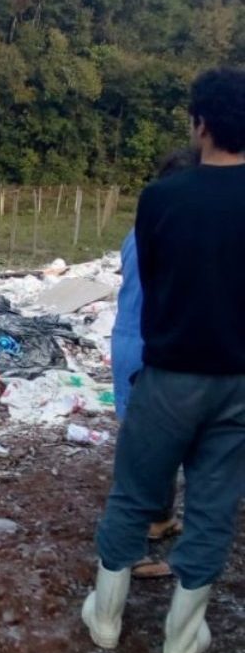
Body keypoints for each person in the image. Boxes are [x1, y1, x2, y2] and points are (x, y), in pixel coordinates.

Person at [83, 66, 245, 653]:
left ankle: (105, 620)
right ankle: (182, 637)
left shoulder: (160, 199)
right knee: (213, 504)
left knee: (133, 495)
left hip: (169, 374)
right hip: (238, 383)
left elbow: (152, 280)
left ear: (199, 123)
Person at [110, 148, 198, 578]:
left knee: (143, 439)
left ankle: (159, 518)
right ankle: (134, 548)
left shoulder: (141, 228)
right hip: (155, 345)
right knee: (151, 447)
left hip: (129, 339)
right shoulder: (181, 231)